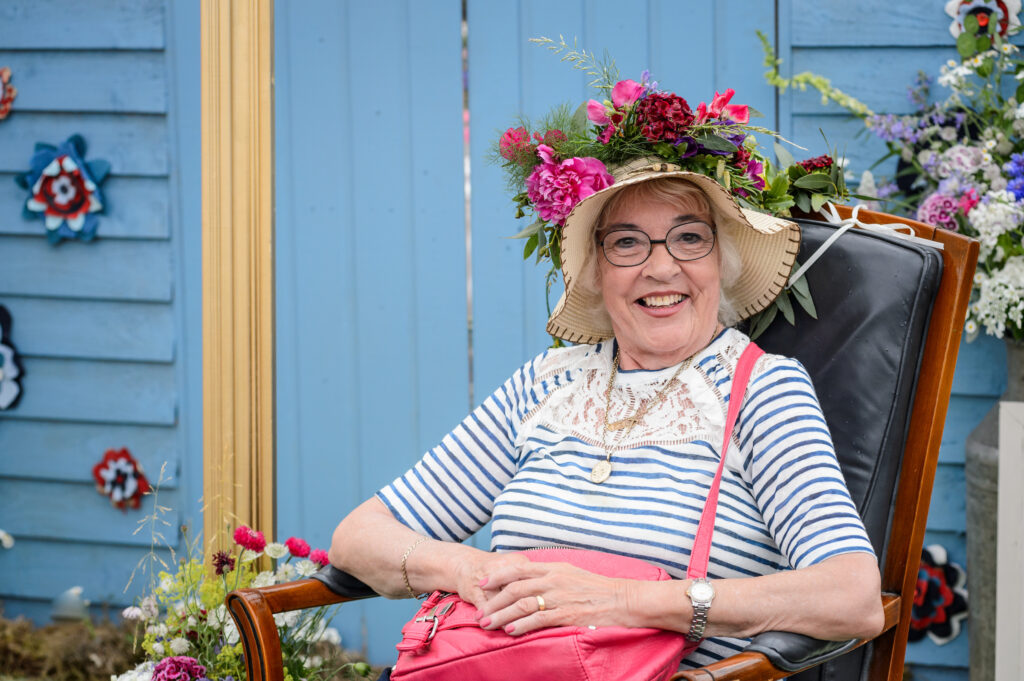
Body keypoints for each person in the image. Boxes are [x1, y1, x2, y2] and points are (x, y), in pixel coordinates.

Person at [328, 159, 884, 670]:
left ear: (722, 262)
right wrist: (468, 572)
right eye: (627, 243)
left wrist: (622, 600)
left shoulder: (762, 390)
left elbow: (851, 597)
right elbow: (358, 537)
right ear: (597, 271)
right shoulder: (547, 384)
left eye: (689, 238)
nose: (661, 267)